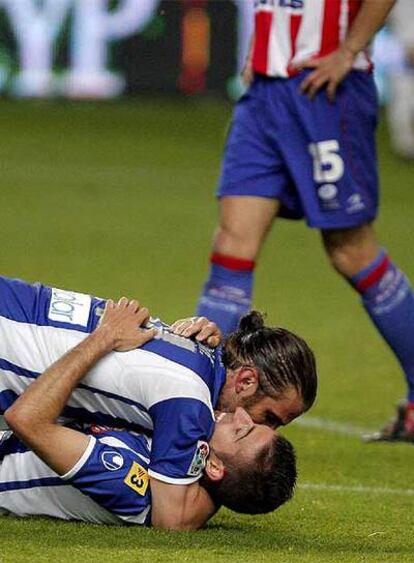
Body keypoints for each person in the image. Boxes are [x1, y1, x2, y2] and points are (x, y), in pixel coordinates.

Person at [196, 0, 414, 442]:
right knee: (233, 243)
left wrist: (350, 49)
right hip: (262, 95)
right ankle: (198, 400)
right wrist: (259, 43)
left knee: (351, 250)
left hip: (326, 92)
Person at [0, 274, 316, 529]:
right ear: (247, 380)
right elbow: (173, 518)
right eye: (270, 417)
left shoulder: (199, 358)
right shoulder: (190, 400)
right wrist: (234, 484)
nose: (256, 423)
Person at [387, 0, 414, 160]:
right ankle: (405, 146)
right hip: (403, 49)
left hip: (402, 46)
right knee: (402, 98)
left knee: (403, 99)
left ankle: (405, 144)